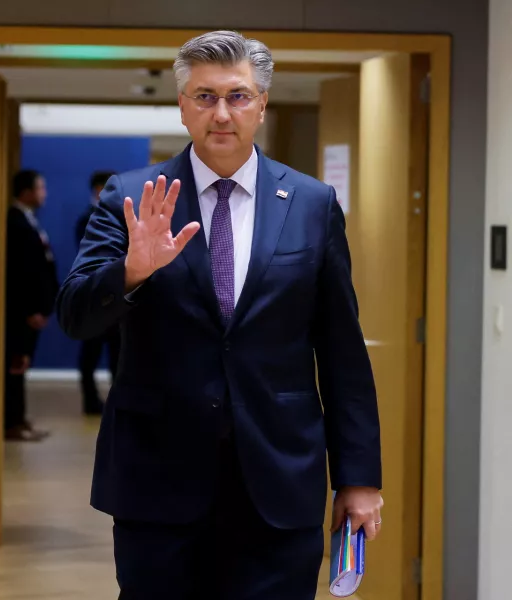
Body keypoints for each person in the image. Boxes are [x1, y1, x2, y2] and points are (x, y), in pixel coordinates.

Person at [56, 30, 383, 600]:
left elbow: (340, 350)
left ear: (261, 105)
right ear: (183, 107)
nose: (222, 113)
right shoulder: (131, 195)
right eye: (205, 97)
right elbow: (75, 317)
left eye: (238, 96)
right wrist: (131, 272)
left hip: (280, 481)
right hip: (157, 482)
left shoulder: (310, 204)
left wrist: (358, 477)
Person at [5, 169, 59, 441]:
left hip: (35, 309)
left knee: (22, 363)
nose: (43, 194)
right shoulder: (14, 222)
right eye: (40, 188)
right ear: (25, 191)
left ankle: (19, 418)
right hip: (22, 313)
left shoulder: (29, 220)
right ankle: (11, 422)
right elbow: (19, 272)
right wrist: (30, 310)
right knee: (15, 363)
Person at [74, 171, 121, 415]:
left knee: (119, 352)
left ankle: (118, 399)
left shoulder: (119, 217)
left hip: (117, 296)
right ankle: (90, 400)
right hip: (93, 295)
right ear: (99, 189)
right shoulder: (87, 219)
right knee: (90, 353)